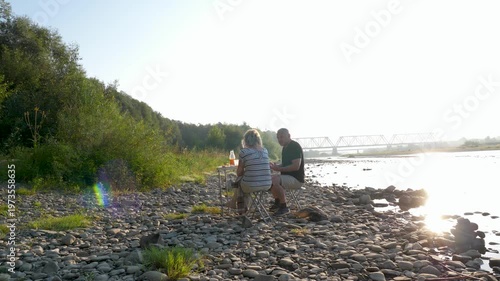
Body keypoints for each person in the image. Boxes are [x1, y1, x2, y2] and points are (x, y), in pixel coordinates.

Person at [228, 129, 272, 213]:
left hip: (251, 185)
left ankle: (239, 207)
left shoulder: (244, 152)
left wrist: (246, 170)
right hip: (267, 184)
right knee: (245, 180)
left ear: (245, 140)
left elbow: (239, 172)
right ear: (258, 140)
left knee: (240, 180)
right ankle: (236, 204)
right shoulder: (265, 151)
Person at [269, 128, 305, 216]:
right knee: (270, 178)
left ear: (289, 136)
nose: (279, 140)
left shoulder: (294, 146)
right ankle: (277, 203)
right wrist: (276, 166)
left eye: (282, 137)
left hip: (296, 179)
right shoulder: (285, 147)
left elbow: (296, 166)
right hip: (288, 177)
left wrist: (279, 169)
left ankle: (284, 206)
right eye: (278, 138)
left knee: (275, 180)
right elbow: (285, 164)